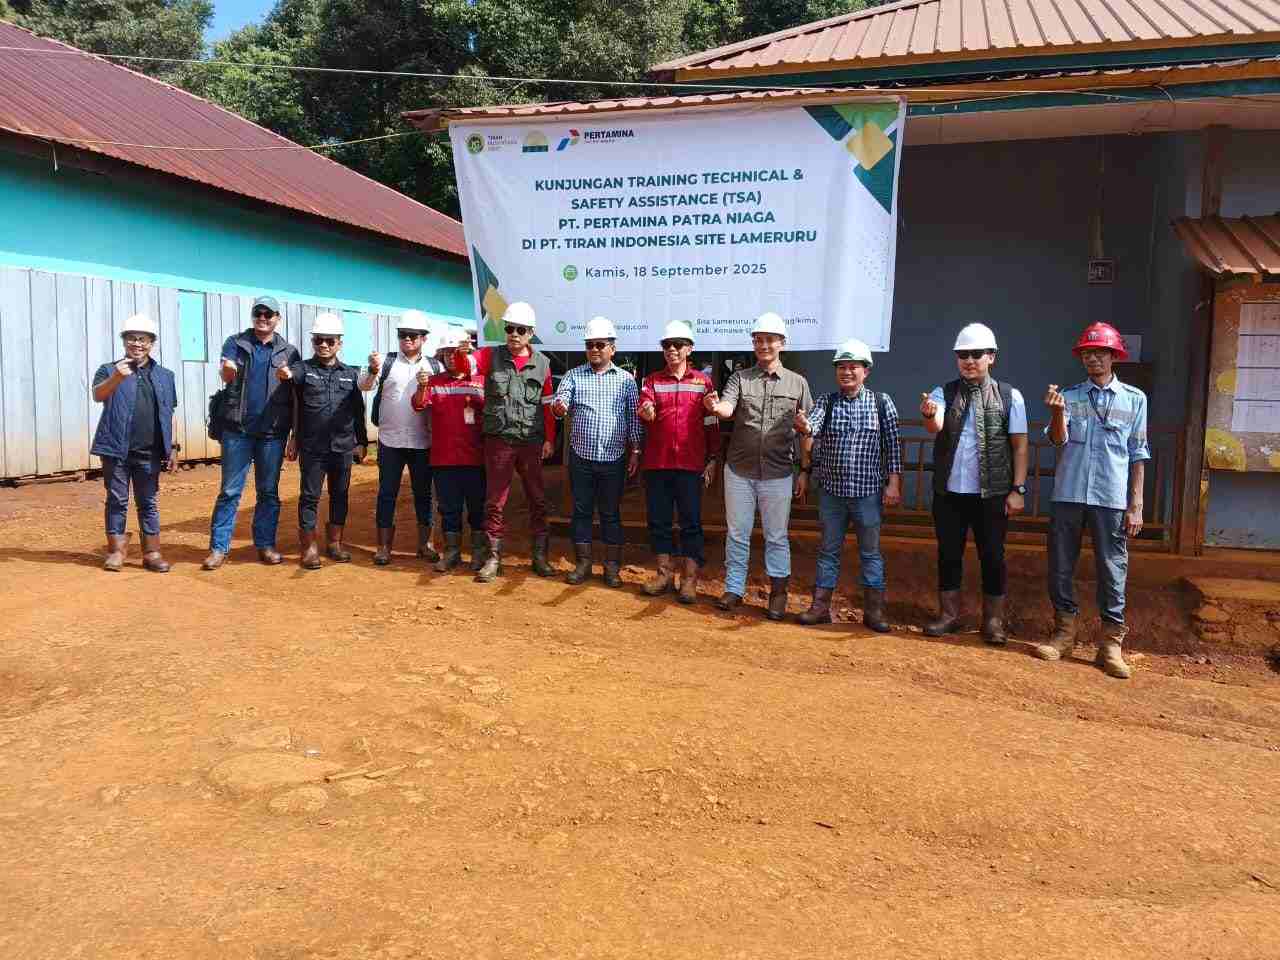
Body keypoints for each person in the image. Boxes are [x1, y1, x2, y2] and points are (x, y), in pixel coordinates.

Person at [1033, 322, 1150, 679]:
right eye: (1087, 353)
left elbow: (1138, 453)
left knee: (1112, 568)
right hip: (1068, 494)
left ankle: (1111, 645)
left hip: (1110, 499)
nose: (1093, 358)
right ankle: (1064, 634)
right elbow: (1057, 440)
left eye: (1100, 352)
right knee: (1061, 565)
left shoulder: (1135, 399)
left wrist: (1136, 505)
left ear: (1114, 356)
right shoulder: (1069, 396)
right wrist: (1056, 412)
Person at [919, 323, 1028, 643]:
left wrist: (1018, 489)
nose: (968, 361)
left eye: (976, 354)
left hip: (992, 494)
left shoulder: (1010, 396)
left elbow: (1020, 447)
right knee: (948, 554)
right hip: (950, 493)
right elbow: (935, 426)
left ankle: (993, 621)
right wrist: (929, 414)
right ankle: (949, 615)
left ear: (991, 357)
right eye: (962, 355)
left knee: (992, 556)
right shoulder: (943, 393)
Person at [704, 312, 813, 620]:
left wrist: (805, 470)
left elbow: (808, 429)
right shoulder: (740, 378)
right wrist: (716, 407)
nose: (763, 345)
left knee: (776, 536)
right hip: (739, 471)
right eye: (758, 340)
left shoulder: (798, 383)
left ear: (782, 343)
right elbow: (727, 408)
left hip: (778, 473)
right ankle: (734, 589)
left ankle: (778, 594)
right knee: (737, 533)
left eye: (769, 340)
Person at [794, 338, 903, 630]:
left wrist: (893, 484)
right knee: (828, 551)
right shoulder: (827, 402)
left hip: (868, 494)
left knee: (871, 553)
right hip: (832, 493)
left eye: (853, 367)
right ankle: (820, 607)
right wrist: (804, 426)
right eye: (841, 367)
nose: (846, 372)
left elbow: (892, 446)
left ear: (866, 371)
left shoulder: (881, 402)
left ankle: (874, 612)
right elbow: (813, 426)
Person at [459, 301, 556, 582]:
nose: (514, 334)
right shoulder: (490, 355)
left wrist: (550, 439)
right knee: (495, 501)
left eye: (520, 330)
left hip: (530, 441)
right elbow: (467, 366)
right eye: (510, 328)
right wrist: (461, 353)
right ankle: (493, 557)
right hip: (499, 441)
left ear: (531, 333)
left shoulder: (543, 364)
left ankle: (540, 556)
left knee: (538, 499)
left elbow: (547, 406)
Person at [203, 296, 300, 570]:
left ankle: (266, 545)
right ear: (253, 315)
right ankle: (218, 549)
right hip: (238, 430)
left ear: (278, 318)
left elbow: (296, 396)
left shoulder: (289, 352)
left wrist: (295, 435)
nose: (263, 318)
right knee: (230, 491)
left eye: (269, 314)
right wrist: (227, 370)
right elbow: (226, 375)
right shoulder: (235, 343)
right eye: (259, 312)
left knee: (268, 492)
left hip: (272, 433)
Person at [551, 316, 641, 587]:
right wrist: (559, 407)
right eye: (589, 345)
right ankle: (583, 563)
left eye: (600, 344)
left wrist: (636, 450)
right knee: (581, 511)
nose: (594, 349)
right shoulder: (573, 376)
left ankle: (612, 568)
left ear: (612, 348)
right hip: (581, 457)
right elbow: (561, 400)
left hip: (614, 458)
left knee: (610, 513)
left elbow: (633, 419)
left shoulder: (626, 380)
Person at [636, 320, 719, 603]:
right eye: (666, 345)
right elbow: (644, 406)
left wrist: (712, 458)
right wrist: (646, 411)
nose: (671, 349)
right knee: (658, 521)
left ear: (689, 349)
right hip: (657, 464)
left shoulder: (703, 382)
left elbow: (711, 422)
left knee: (690, 523)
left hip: (690, 464)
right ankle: (663, 575)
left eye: (678, 344)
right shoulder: (652, 381)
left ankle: (689, 579)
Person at [277, 313, 368, 569]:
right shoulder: (303, 369)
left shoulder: (351, 374)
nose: (324, 345)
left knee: (340, 494)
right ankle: (309, 547)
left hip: (343, 446)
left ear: (339, 343)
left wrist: (361, 441)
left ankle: (335, 543)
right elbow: (290, 379)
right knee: (310, 496)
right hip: (313, 447)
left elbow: (358, 410)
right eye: (318, 340)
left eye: (329, 340)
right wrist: (284, 373)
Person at [90, 313, 179, 573]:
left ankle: (152, 553)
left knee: (148, 502)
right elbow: (98, 395)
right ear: (124, 341)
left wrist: (173, 447)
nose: (137, 344)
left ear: (152, 343)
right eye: (132, 338)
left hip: (149, 452)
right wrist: (117, 377)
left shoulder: (165, 375)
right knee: (117, 500)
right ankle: (116, 551)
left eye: (143, 339)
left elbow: (169, 412)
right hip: (116, 449)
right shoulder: (109, 369)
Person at [361, 310, 442, 566]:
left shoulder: (435, 367)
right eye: (402, 334)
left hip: (422, 442)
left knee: (424, 495)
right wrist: (372, 370)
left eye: (412, 335)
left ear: (424, 338)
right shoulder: (385, 362)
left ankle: (425, 544)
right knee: (387, 493)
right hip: (390, 442)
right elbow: (364, 385)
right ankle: (383, 547)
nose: (407, 339)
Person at [411, 327, 487, 572]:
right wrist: (421, 386)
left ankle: (478, 553)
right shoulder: (433, 382)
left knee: (477, 507)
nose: (450, 358)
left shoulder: (480, 381)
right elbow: (419, 405)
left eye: (455, 353)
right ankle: (452, 552)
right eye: (446, 353)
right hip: (444, 459)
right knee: (449, 508)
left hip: (475, 458)